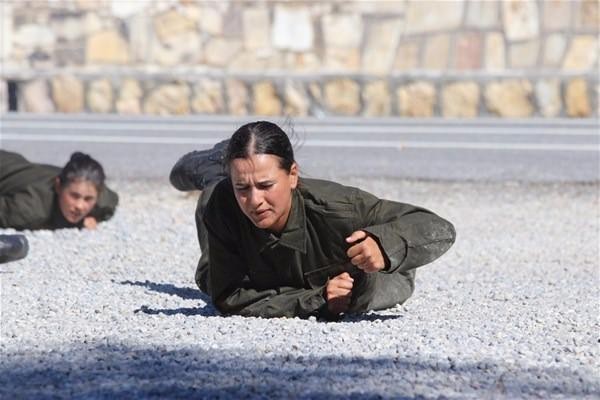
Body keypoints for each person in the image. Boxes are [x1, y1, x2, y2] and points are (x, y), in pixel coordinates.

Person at [170, 121, 455, 320]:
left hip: (382, 274)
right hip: (267, 259)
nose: (255, 201)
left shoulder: (341, 209)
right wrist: (317, 300)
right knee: (209, 276)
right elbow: (227, 296)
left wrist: (382, 244)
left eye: (266, 185)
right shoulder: (226, 203)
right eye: (243, 187)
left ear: (293, 175)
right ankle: (215, 173)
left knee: (367, 296)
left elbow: (438, 228)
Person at [0, 150, 118, 231]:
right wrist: (77, 224)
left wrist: (96, 217)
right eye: (74, 196)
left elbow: (111, 201)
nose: (80, 206)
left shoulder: (102, 199)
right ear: (58, 186)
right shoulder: (32, 208)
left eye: (88, 199)